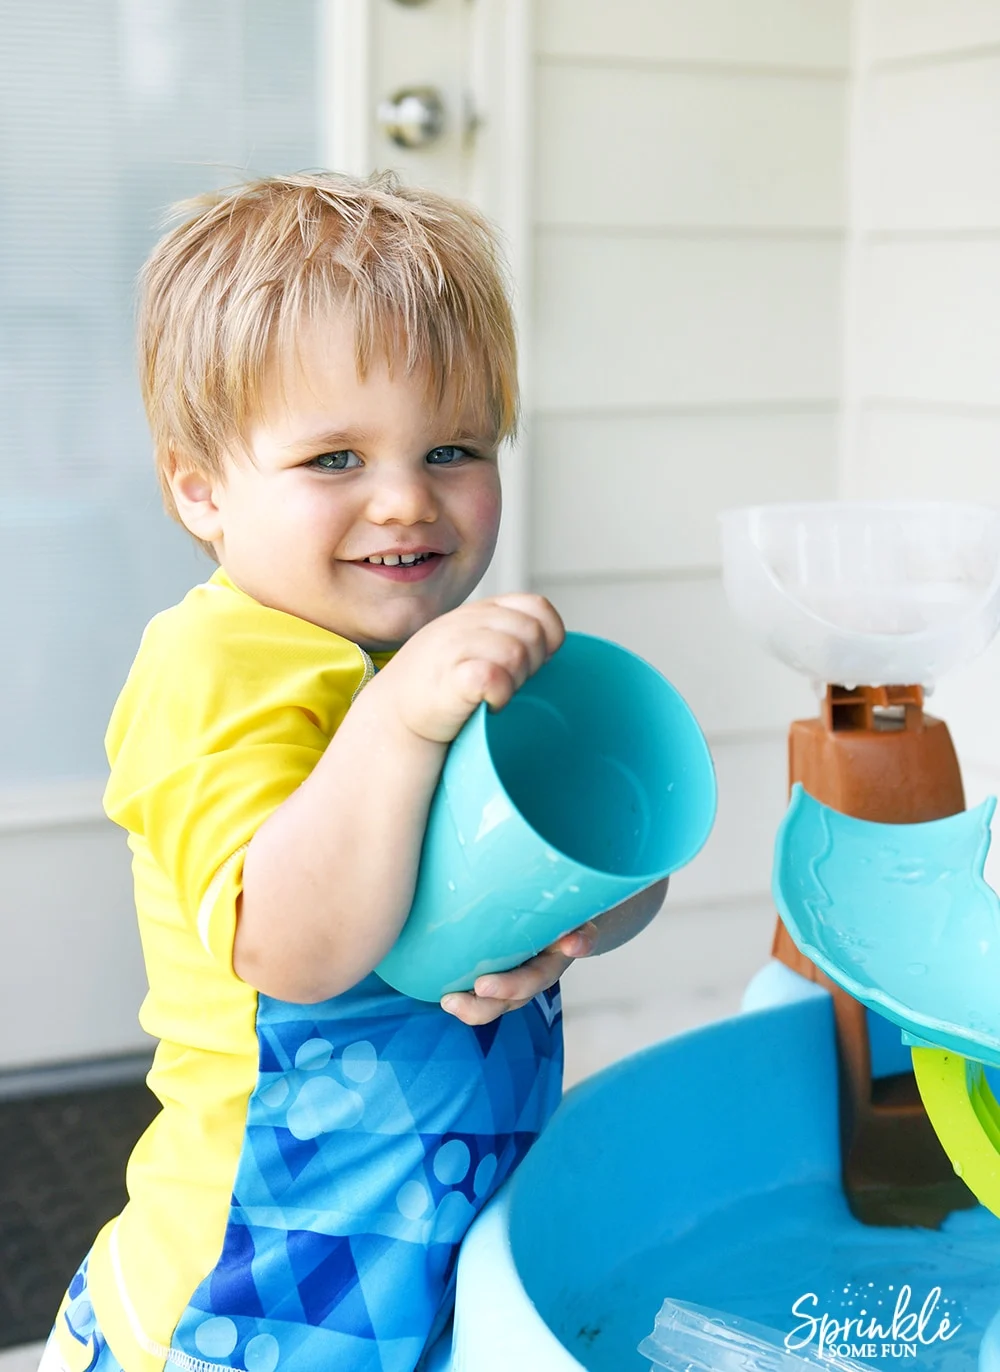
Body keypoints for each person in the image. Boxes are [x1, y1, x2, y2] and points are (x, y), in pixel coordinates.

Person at [42, 171, 667, 1372]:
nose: (404, 497)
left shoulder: (444, 663)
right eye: (334, 457)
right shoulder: (212, 662)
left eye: (451, 446)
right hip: (253, 1283)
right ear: (200, 487)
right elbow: (291, 945)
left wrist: (581, 921)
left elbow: (600, 869)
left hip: (439, 1235)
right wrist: (402, 718)